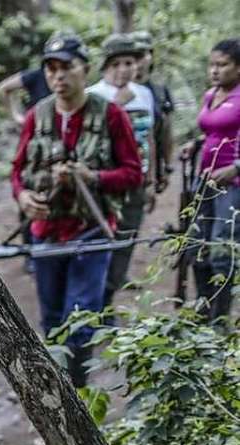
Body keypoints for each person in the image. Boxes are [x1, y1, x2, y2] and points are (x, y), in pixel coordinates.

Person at [10, 34, 143, 387]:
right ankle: (58, 393)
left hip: (92, 232)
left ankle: (79, 391)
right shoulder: (36, 116)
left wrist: (93, 176)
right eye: (51, 69)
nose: (58, 76)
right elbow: (17, 170)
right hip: (46, 234)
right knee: (52, 319)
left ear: (85, 69)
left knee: (81, 319)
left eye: (66, 67)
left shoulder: (111, 115)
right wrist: (24, 198)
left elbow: (133, 173)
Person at [88, 33, 157, 310]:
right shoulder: (93, 96)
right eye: (116, 64)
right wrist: (118, 103)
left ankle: (107, 302)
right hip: (104, 183)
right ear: (105, 66)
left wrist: (150, 179)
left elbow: (149, 136)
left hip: (135, 182)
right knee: (101, 241)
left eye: (129, 63)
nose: (123, 70)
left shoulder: (145, 93)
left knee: (125, 242)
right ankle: (94, 304)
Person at [179, 37, 240, 324]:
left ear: (238, 68)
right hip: (205, 179)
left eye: (222, 65)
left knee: (221, 248)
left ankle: (220, 317)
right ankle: (203, 307)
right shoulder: (210, 94)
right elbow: (214, 133)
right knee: (196, 244)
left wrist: (236, 167)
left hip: (232, 184)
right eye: (212, 64)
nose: (215, 70)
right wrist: (196, 142)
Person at [131, 30, 176, 194]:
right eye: (134, 56)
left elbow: (167, 131)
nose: (139, 62)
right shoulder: (116, 90)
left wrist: (167, 166)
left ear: (150, 56)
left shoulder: (160, 91)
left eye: (142, 55)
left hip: (151, 164)